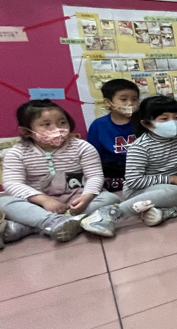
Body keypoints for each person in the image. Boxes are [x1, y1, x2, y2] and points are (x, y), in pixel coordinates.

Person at [82, 96, 177, 233]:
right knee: (175, 192)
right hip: (140, 191)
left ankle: (166, 212)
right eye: (164, 119)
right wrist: (171, 179)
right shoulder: (140, 147)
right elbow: (133, 181)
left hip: (173, 188)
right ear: (146, 123)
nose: (173, 122)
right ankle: (111, 213)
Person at [1, 100, 121, 243]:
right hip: (38, 204)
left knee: (110, 199)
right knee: (3, 202)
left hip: (77, 201)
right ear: (26, 131)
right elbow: (12, 183)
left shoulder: (82, 147)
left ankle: (35, 226)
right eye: (46, 124)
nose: (57, 128)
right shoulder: (17, 153)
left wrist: (86, 197)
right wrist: (44, 200)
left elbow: (95, 176)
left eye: (62, 122)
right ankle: (55, 221)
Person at [86, 78, 139, 191]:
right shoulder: (98, 125)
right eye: (123, 99)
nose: (130, 103)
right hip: (112, 170)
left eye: (134, 99)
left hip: (139, 167)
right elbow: (93, 156)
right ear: (108, 102)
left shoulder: (142, 122)